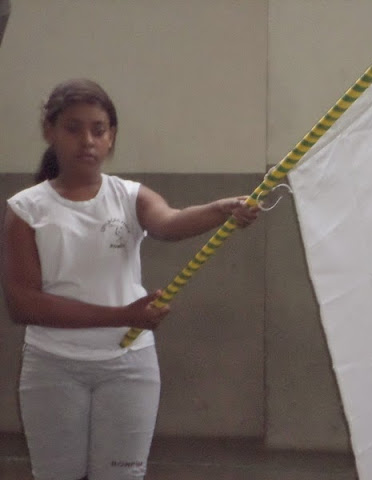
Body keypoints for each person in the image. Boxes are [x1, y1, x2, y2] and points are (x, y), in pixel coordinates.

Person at [1, 78, 259, 480]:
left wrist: (220, 209)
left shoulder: (129, 195)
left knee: (122, 475)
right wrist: (123, 316)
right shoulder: (25, 209)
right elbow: (24, 305)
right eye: (73, 128)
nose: (87, 140)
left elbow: (169, 222)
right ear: (50, 132)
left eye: (98, 129)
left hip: (129, 366)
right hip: (52, 365)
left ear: (111, 137)